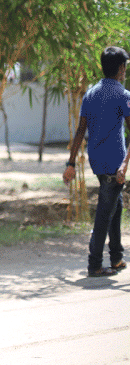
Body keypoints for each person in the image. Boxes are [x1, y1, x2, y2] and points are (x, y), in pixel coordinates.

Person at [62, 46, 130, 277]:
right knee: (105, 212)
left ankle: (117, 257)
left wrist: (70, 163)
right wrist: (124, 165)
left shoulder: (91, 93)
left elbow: (81, 131)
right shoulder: (123, 95)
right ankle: (94, 263)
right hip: (114, 164)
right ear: (121, 68)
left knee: (115, 205)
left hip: (98, 162)